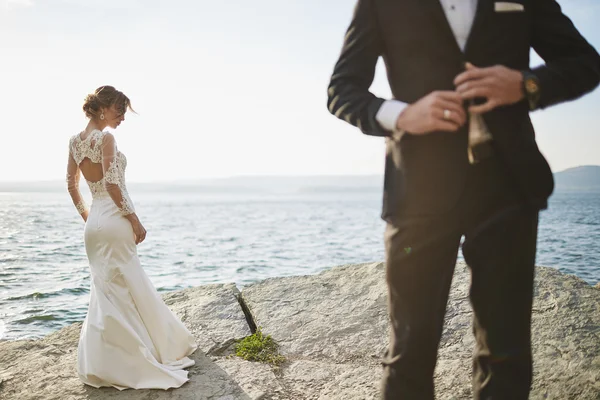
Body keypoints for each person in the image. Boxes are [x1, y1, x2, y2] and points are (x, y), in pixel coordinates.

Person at [327, 1, 600, 398]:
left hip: (508, 188)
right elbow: (341, 91)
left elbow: (586, 63)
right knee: (409, 350)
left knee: (505, 352)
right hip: (419, 192)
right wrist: (403, 115)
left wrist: (526, 84)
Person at [66, 85, 197, 390]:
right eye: (120, 110)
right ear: (104, 108)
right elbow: (113, 184)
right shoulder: (106, 138)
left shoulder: (74, 142)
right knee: (130, 283)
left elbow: (72, 186)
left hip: (95, 225)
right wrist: (134, 219)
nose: (123, 117)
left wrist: (90, 218)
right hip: (114, 219)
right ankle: (143, 356)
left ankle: (106, 361)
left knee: (106, 290)